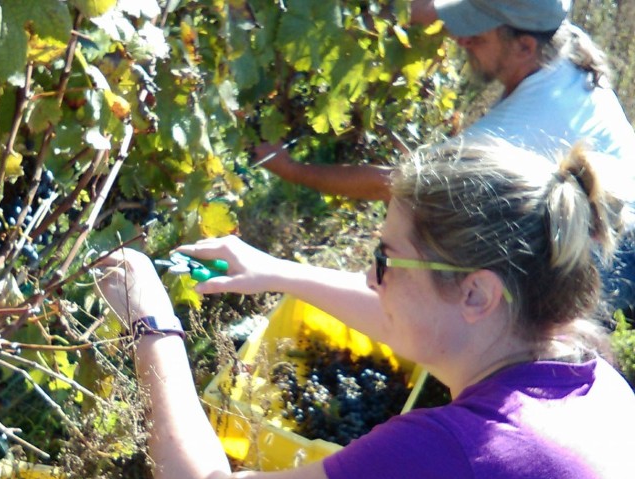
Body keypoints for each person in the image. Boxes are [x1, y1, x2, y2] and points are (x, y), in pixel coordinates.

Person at [96, 138, 635, 479]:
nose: (372, 279)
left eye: (385, 260)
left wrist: (152, 327)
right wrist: (275, 271)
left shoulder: (455, 464)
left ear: (477, 292)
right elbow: (414, 320)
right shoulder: (598, 387)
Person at [253, 0, 635, 314]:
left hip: (613, 254)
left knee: (506, 300)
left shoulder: (515, 129)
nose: (463, 39)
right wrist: (365, 13)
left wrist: (292, 169)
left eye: (478, 34)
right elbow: (431, 11)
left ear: (523, 47)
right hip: (614, 212)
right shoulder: (559, 37)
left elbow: (397, 183)